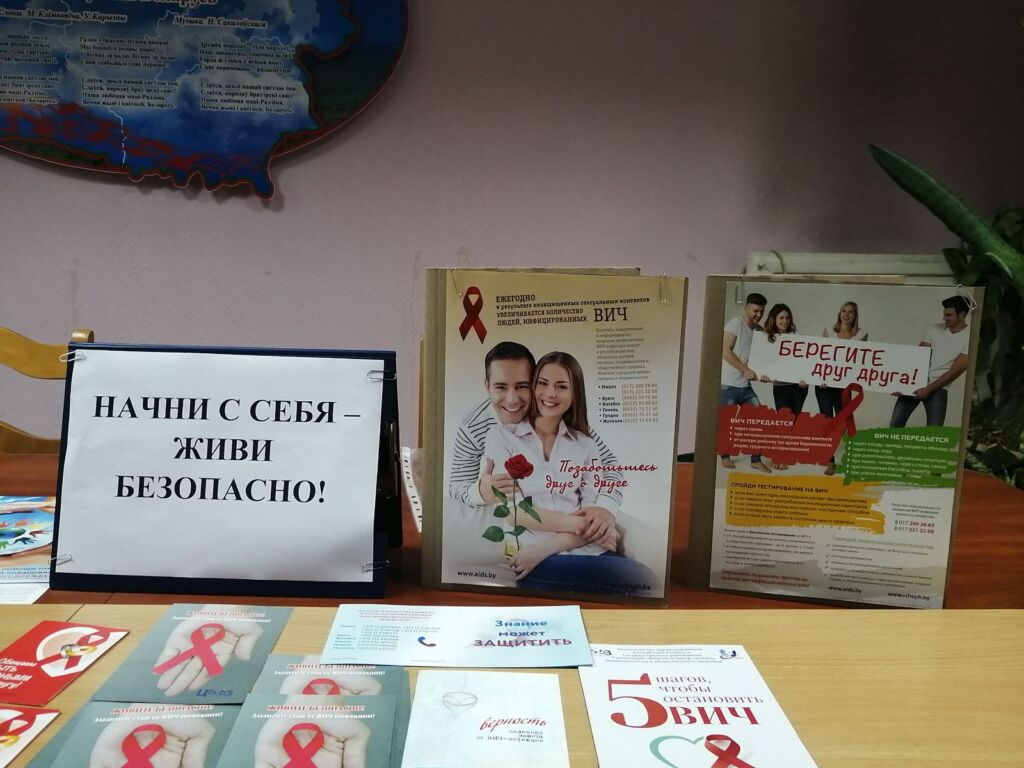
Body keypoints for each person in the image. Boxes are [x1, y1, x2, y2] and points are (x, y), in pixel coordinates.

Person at [483, 351, 656, 595]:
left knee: (646, 581)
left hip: (569, 552)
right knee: (642, 580)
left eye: (561, 386)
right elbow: (515, 512)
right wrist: (591, 528)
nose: (550, 394)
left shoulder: (585, 445)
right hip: (531, 559)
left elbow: (591, 510)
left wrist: (546, 548)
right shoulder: (501, 437)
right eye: (542, 383)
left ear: (575, 394)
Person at [448, 341, 620, 544]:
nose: (512, 400)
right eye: (501, 387)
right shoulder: (473, 427)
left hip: (565, 528)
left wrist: (606, 509)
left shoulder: (555, 414)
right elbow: (456, 486)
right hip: (524, 529)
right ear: (487, 386)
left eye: (522, 386)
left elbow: (610, 465)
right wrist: (480, 491)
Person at [890, 296, 971, 427]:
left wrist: (928, 389)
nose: (944, 318)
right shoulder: (934, 329)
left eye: (949, 315)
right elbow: (917, 357)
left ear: (961, 314)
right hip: (916, 382)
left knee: (934, 433)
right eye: (944, 314)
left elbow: (956, 371)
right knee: (895, 425)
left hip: (938, 387)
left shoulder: (970, 337)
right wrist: (902, 384)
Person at [815, 301, 867, 475]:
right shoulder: (829, 331)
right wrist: (820, 377)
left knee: (844, 421)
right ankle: (830, 462)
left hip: (844, 386)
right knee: (826, 420)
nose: (846, 314)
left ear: (855, 315)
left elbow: (861, 361)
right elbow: (819, 356)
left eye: (850, 312)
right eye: (843, 311)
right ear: (839, 313)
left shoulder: (862, 334)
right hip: (824, 385)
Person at [720, 292, 771, 472]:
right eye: (756, 311)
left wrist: (764, 374)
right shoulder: (736, 323)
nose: (759, 314)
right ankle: (725, 456)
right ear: (746, 308)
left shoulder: (758, 331)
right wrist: (744, 370)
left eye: (762, 311)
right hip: (728, 384)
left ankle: (755, 460)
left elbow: (761, 358)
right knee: (727, 422)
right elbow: (724, 350)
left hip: (746, 386)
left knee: (759, 420)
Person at [759, 303, 807, 470]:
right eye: (781, 318)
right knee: (783, 421)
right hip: (780, 386)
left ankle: (784, 455)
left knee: (793, 421)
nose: (785, 321)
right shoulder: (767, 338)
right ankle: (779, 455)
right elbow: (763, 362)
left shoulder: (798, 335)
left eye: (787, 318)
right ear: (773, 319)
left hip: (799, 386)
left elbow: (807, 360)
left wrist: (806, 378)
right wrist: (762, 374)